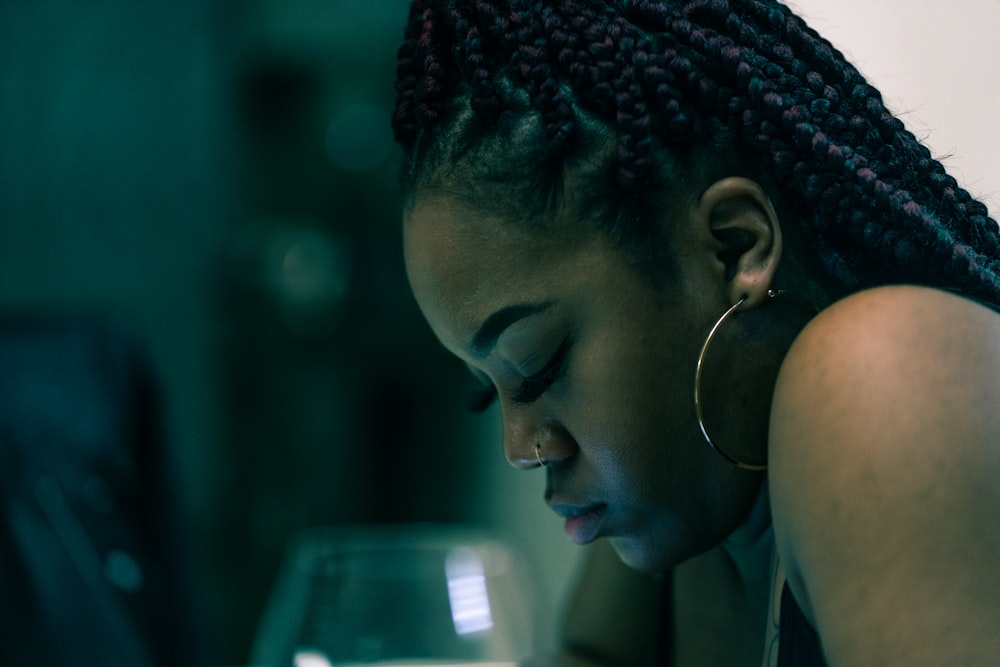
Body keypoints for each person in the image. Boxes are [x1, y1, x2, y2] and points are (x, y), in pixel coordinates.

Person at [390, 1, 1000, 665]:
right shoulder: (693, 481)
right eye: (490, 391)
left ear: (733, 245)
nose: (521, 447)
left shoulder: (880, 378)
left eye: (538, 366)